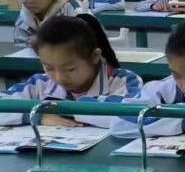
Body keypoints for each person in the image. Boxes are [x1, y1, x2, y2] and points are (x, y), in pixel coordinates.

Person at [0, 15, 142, 128]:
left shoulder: (125, 81)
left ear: (94, 57)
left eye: (70, 69)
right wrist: (38, 116)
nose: (59, 77)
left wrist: (63, 110)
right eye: (49, 68)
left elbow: (130, 114)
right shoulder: (40, 84)